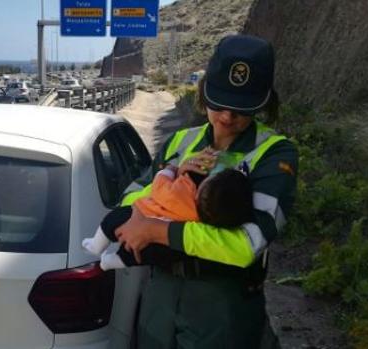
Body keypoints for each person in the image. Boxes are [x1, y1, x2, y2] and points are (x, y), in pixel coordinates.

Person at [115, 34, 298, 349]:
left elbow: (245, 245)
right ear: (205, 91)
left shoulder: (274, 154)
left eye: (242, 109)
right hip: (161, 293)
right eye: (221, 103)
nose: (227, 117)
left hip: (221, 301)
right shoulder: (180, 142)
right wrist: (171, 180)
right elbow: (129, 198)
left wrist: (157, 229)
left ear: (264, 102)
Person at [82, 157, 254, 271]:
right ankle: (115, 261)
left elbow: (159, 184)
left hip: (140, 212)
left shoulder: (183, 188)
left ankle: (97, 244)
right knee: (148, 254)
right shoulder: (203, 221)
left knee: (112, 219)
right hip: (165, 255)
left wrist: (171, 170)